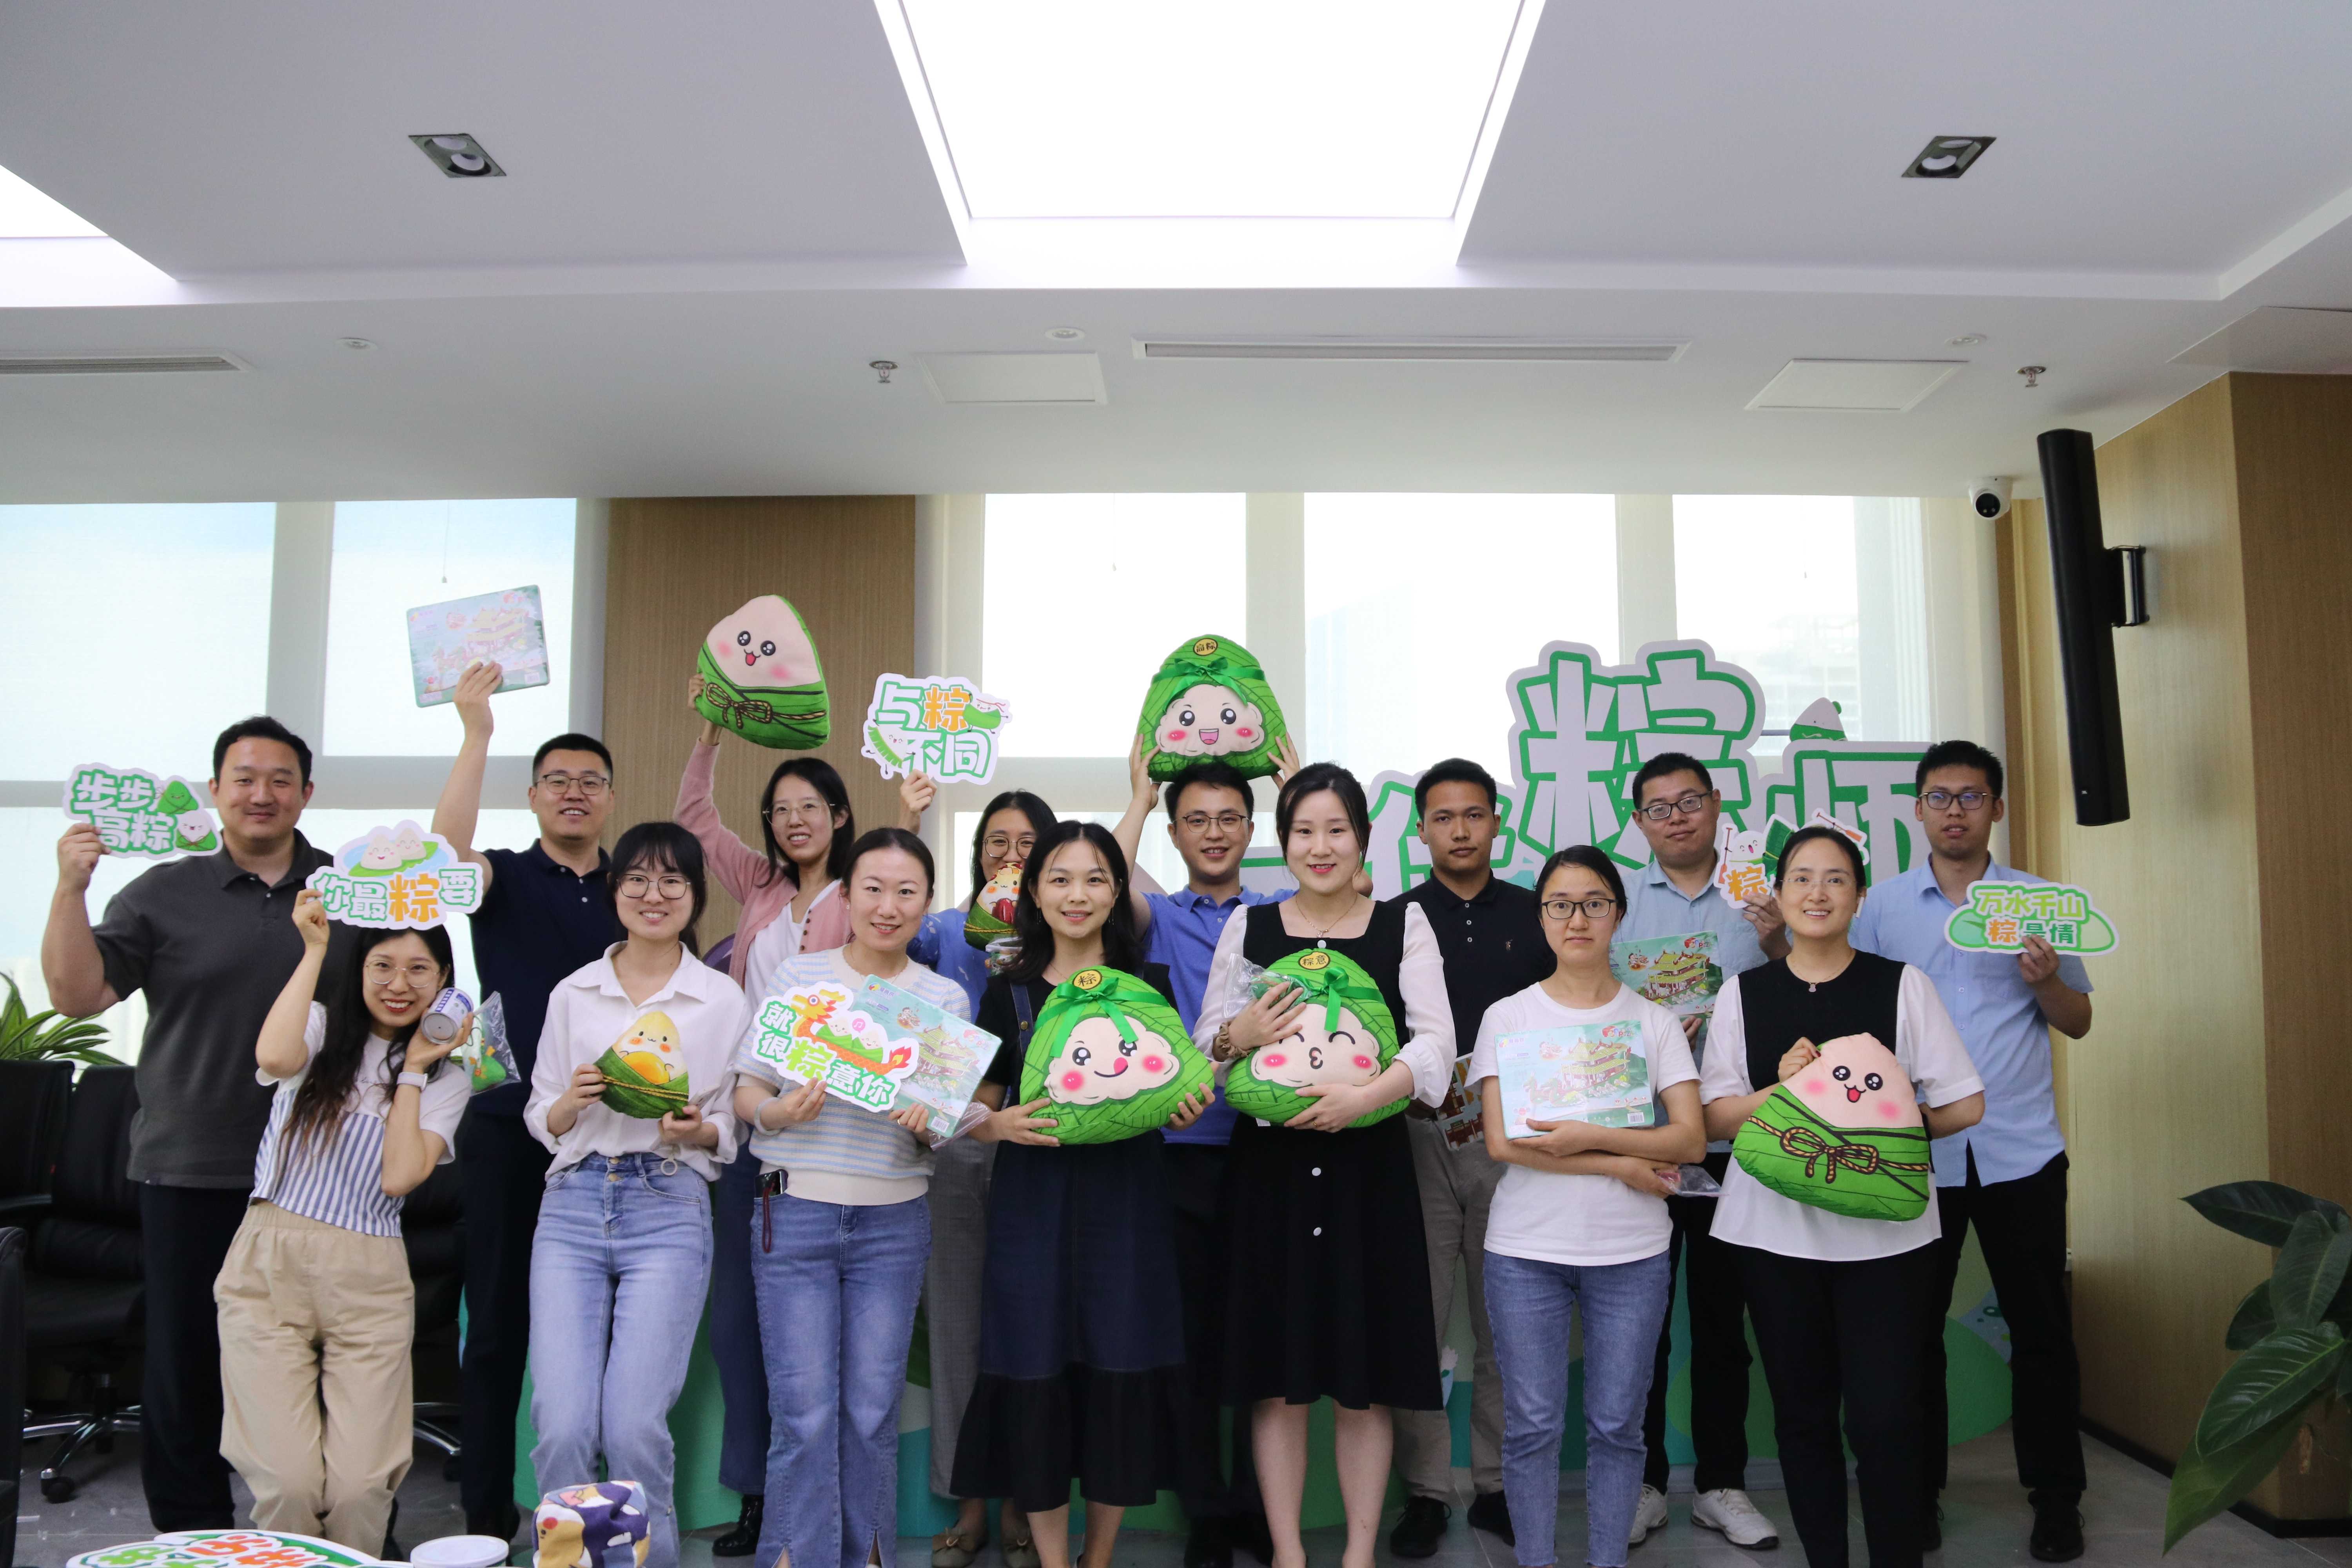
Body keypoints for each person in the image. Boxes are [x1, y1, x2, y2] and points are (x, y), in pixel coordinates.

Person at [41, 716, 339, 1531]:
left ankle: (316, 1530)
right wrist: (71, 887)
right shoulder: (162, 891)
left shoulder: (348, 887)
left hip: (320, 1169)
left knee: (318, 1358)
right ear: (215, 790)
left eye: (281, 779)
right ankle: (192, 1532)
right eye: (244, 777)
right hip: (191, 1161)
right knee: (185, 1361)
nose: (261, 793)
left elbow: (405, 985)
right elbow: (77, 995)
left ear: (307, 793)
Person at [1699, 827, 1984, 1568]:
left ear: (1859, 896)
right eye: (1801, 878)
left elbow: (1964, 1103)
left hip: (1888, 1240)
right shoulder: (1743, 994)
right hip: (1772, 1235)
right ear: (1779, 895)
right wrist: (1787, 1090)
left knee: (1887, 1417)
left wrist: (1878, 1118)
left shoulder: (1902, 985)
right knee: (1802, 1416)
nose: (1817, 893)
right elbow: (1716, 1119)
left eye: (1835, 879)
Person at [1194, 763, 1456, 1568]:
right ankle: (1288, 1553)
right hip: (1269, 1176)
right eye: (1304, 830)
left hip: (1367, 1174)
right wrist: (1237, 1034)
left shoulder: (1403, 925)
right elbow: (1207, 1048)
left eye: (1336, 829)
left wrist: (1366, 1097)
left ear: (1363, 839)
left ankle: (1359, 1553)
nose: (1320, 846)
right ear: (1283, 842)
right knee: (1276, 1380)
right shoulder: (1250, 927)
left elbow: (1435, 1042)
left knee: (1362, 1380)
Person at [1849, 740, 2094, 1563]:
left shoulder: (2041, 904)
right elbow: (1856, 1016)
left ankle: (2057, 1502)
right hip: (1918, 1151)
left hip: (2022, 1151)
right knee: (1912, 1335)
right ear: (1918, 808)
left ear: (1998, 807)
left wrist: (2047, 979)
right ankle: (1916, 1500)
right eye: (1940, 796)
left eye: (1973, 795)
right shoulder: (1882, 908)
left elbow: (2077, 1020)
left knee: (2043, 1332)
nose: (1955, 810)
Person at [950, 822, 1213, 1568]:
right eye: (1060, 879)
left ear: (1117, 892)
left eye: (1096, 878)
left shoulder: (1149, 986)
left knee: (1118, 1372)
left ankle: (1097, 1559)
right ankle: (1053, 1560)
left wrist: (1185, 1109)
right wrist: (997, 1124)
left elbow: (1173, 1085)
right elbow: (972, 1111)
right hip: (1030, 1208)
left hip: (1128, 1205)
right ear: (1034, 893)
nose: (1078, 895)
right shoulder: (1006, 992)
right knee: (1032, 1370)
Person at [731, 828, 973, 1568]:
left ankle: (868, 1557)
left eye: (906, 892)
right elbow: (746, 1092)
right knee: (803, 1414)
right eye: (873, 888)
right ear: (846, 894)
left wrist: (931, 1122)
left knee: (871, 1412)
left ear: (927, 902)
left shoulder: (942, 998)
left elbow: (946, 1127)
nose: (887, 906)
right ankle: (794, 1558)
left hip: (894, 1222)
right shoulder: (801, 978)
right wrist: (777, 1113)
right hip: (794, 1209)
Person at [431, 660, 624, 1543]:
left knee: (603, 1337)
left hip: (613, 1131)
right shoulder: (504, 875)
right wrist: (477, 732)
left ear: (611, 798)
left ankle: (598, 1522)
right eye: (558, 780)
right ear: (536, 796)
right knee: (497, 1325)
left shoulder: (636, 888)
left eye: (591, 781)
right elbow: (442, 859)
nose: (574, 792)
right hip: (509, 1123)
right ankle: (484, 1512)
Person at [1469, 846, 1704, 1568]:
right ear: (1541, 918)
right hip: (1525, 1252)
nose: (1578, 919)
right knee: (1533, 1428)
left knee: (1618, 1428)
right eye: (1561, 905)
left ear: (1618, 915)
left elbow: (1690, 1139)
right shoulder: (1508, 1017)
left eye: (1595, 903)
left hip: (1632, 1253)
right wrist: (1622, 1163)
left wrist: (1591, 1138)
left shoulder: (1654, 1023)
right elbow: (1503, 1143)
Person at [523, 822, 748, 1568]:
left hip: (669, 1203)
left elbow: (729, 1126)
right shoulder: (574, 993)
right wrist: (571, 1102)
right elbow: (542, 1114)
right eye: (638, 880)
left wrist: (698, 1129)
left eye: (673, 881)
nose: (655, 895)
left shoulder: (720, 1000)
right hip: (573, 1203)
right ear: (615, 890)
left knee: (633, 1428)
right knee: (562, 1425)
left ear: (696, 895)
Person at [218, 891, 472, 1552]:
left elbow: (399, 1177)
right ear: (359, 970)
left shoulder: (448, 1080)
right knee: (289, 1483)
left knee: (361, 1489)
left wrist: (414, 1069)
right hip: (269, 1265)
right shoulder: (319, 1027)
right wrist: (314, 951)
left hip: (371, 1278)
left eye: (419, 969)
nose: (399, 984)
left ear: (445, 980)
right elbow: (274, 1059)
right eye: (382, 966)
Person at [1109, 741, 1304, 1568]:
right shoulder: (1160, 914)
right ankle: (1206, 1513)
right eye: (1198, 820)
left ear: (1254, 828)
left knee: (1260, 1336)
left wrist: (1297, 789)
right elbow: (1104, 880)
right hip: (1179, 1150)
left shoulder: (1278, 911)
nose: (1215, 832)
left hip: (1267, 1146)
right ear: (1177, 834)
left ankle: (1258, 1508)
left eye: (1230, 818)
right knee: (1189, 1342)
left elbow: (1353, 885)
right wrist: (1139, 799)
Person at [678, 681, 858, 1554]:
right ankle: (755, 1491)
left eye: (809, 807)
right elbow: (694, 818)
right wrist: (710, 734)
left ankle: (815, 1500)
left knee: (817, 1335)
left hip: (830, 1131)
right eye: (780, 809)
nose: (793, 821)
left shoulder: (861, 892)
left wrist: (914, 814)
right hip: (749, 1125)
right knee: (739, 1325)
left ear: (839, 815)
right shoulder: (758, 884)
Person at [1614, 753, 1786, 1552]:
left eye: (1690, 801)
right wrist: (1651, 1032)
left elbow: (1798, 997)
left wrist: (1779, 941)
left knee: (1723, 1322)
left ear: (1717, 805)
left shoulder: (1763, 897)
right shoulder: (1617, 905)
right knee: (1639, 1327)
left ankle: (1721, 1483)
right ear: (1639, 821)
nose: (1677, 817)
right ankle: (1644, 1484)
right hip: (1644, 1144)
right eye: (1659, 807)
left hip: (1732, 1143)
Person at [1385, 759, 1553, 1557]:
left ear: (1496, 822)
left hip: (1511, 1138)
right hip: (1413, 1137)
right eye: (1444, 817)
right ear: (1421, 829)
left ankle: (1496, 1484)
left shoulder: (1535, 913)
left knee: (1503, 1321)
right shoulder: (1395, 918)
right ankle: (1425, 1491)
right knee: (1416, 1319)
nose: (1460, 830)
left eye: (1474, 814)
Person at [901, 782, 1057, 1568]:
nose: (1011, 854)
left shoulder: (1068, 935)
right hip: (957, 1139)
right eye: (998, 841)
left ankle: (1032, 1500)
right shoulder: (941, 931)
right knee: (958, 1326)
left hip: (1043, 1145)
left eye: (1029, 843)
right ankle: (967, 1500)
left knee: (1033, 1331)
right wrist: (906, 818)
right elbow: (880, 951)